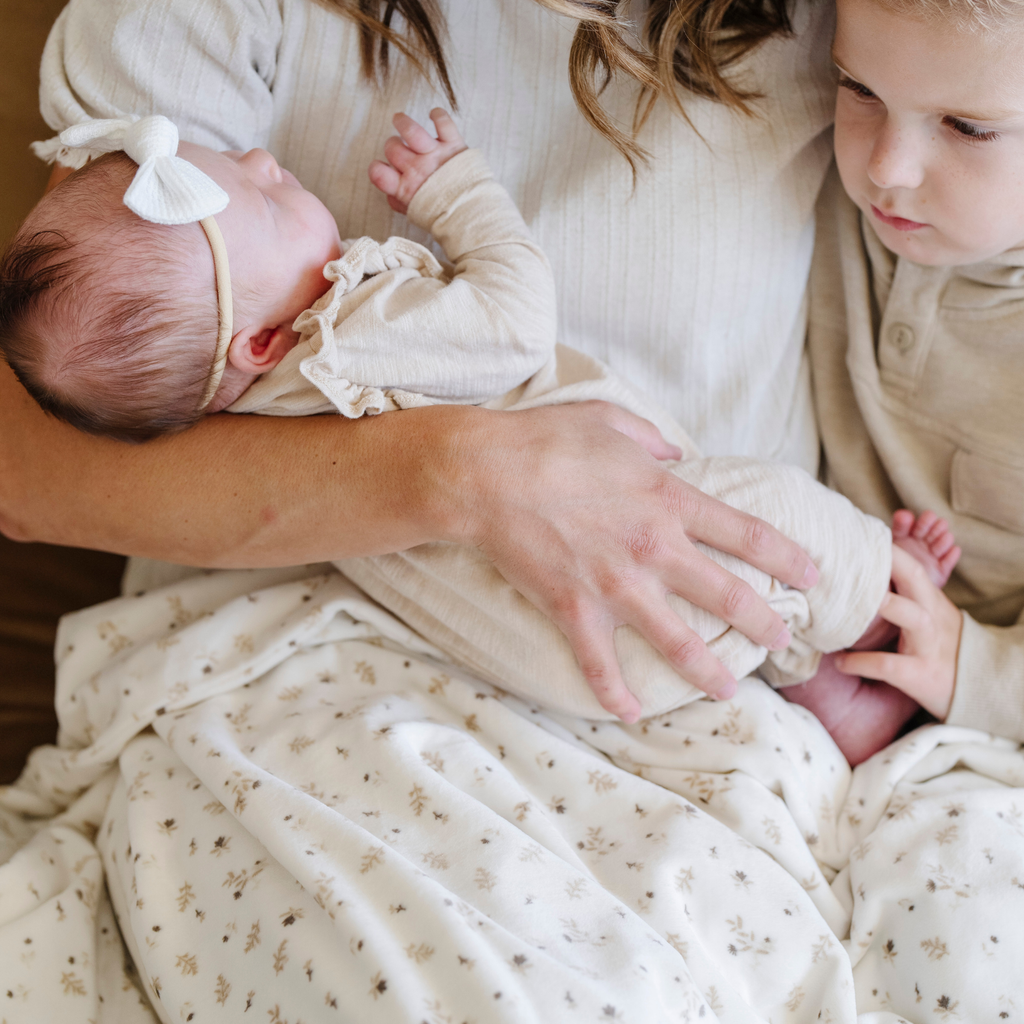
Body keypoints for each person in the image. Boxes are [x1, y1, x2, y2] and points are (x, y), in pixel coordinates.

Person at [1, 108, 959, 762]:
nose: (263, 160)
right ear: (259, 338)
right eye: (261, 196)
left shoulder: (242, 406)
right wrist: (457, 196)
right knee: (790, 524)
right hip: (607, 572)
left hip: (552, 650)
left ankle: (821, 694)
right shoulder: (361, 330)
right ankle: (880, 603)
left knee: (743, 590)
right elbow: (513, 319)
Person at [794, 0, 1024, 747]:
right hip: (818, 637)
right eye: (858, 88)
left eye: (969, 127)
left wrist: (971, 665)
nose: (885, 166)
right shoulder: (828, 202)